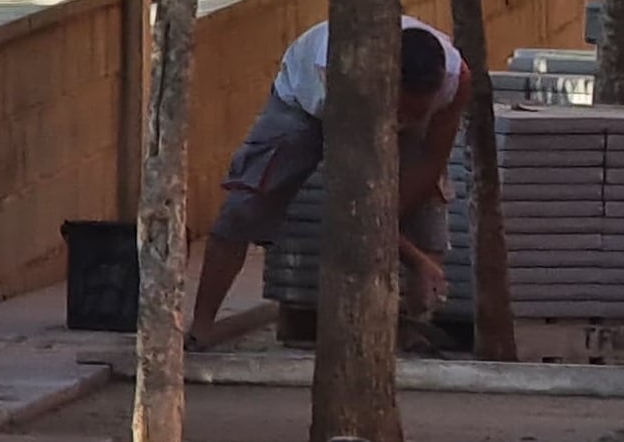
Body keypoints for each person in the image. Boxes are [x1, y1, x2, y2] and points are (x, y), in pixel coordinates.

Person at [191, 18, 468, 347]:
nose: (402, 121)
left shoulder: (457, 80)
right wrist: (415, 258)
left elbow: (430, 162)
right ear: (385, 81)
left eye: (416, 112)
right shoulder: (339, 71)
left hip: (369, 107)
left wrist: (412, 239)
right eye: (400, 108)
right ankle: (202, 325)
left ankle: (408, 324)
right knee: (244, 208)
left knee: (428, 203)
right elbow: (356, 195)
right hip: (305, 104)